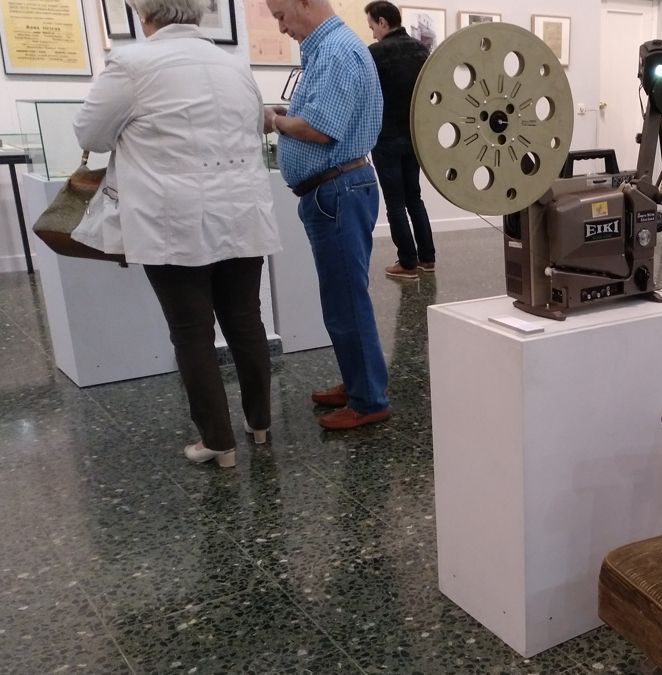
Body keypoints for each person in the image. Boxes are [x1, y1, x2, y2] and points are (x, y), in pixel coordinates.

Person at [73, 0, 281, 468]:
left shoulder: (131, 63)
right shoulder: (234, 66)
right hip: (241, 212)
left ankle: (218, 442)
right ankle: (260, 424)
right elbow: (254, 126)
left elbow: (90, 135)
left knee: (191, 333)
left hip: (171, 218)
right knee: (247, 322)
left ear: (143, 14)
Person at [264, 0, 391, 430]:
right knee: (342, 296)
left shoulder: (336, 51)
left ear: (304, 2)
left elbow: (321, 129)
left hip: (337, 191)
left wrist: (277, 122)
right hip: (336, 189)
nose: (281, 28)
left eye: (281, 16)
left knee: (346, 300)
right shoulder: (329, 50)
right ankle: (360, 383)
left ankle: (369, 399)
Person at [363, 0, 436, 281]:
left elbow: (368, 96)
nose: (372, 33)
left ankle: (407, 262)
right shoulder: (421, 49)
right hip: (414, 135)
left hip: (387, 137)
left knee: (395, 202)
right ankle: (427, 258)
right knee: (414, 196)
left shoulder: (375, 54)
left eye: (372, 26)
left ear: (383, 22)